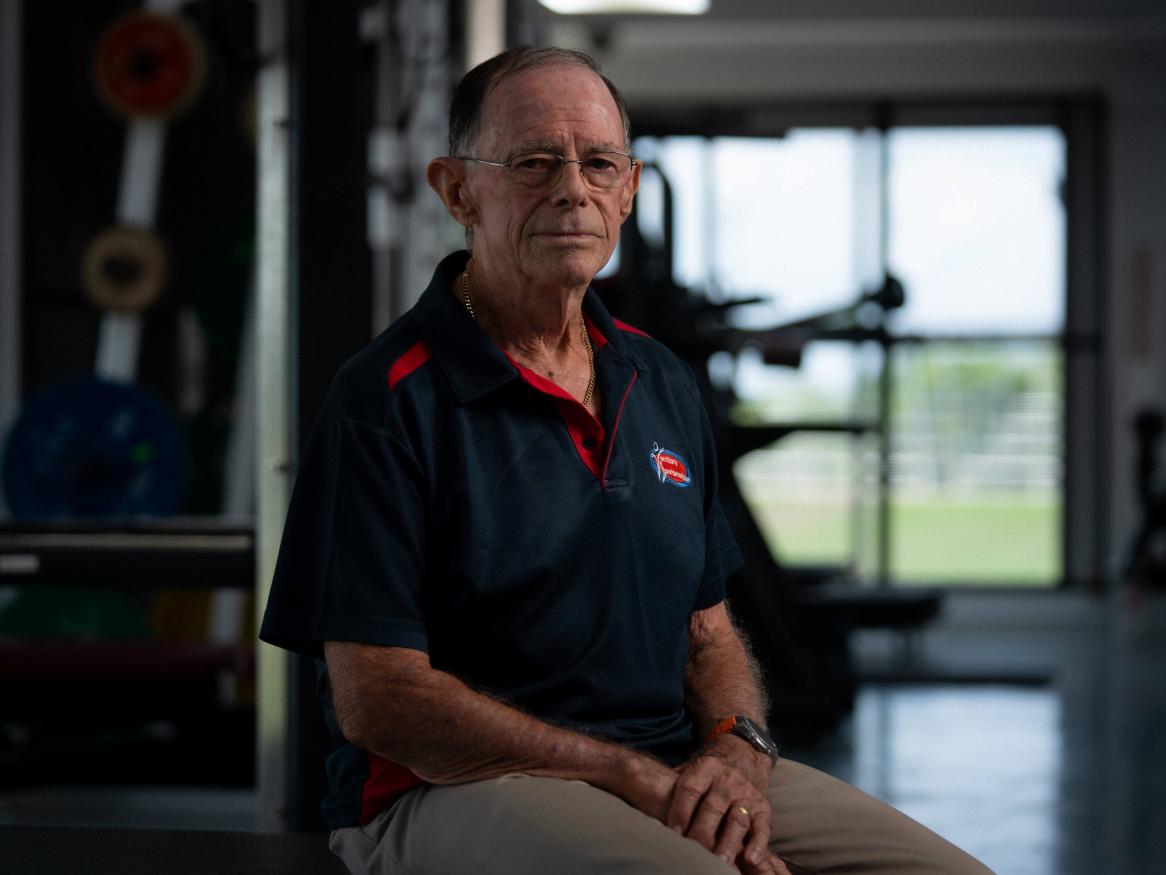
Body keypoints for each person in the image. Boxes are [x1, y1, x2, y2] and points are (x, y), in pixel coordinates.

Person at [259, 46, 992, 875]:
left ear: (629, 188)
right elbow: (379, 699)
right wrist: (622, 772)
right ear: (457, 189)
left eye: (598, 163)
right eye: (535, 161)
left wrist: (734, 751)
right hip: (447, 786)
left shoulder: (659, 379)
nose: (572, 187)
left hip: (670, 766)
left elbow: (708, 631)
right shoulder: (386, 399)